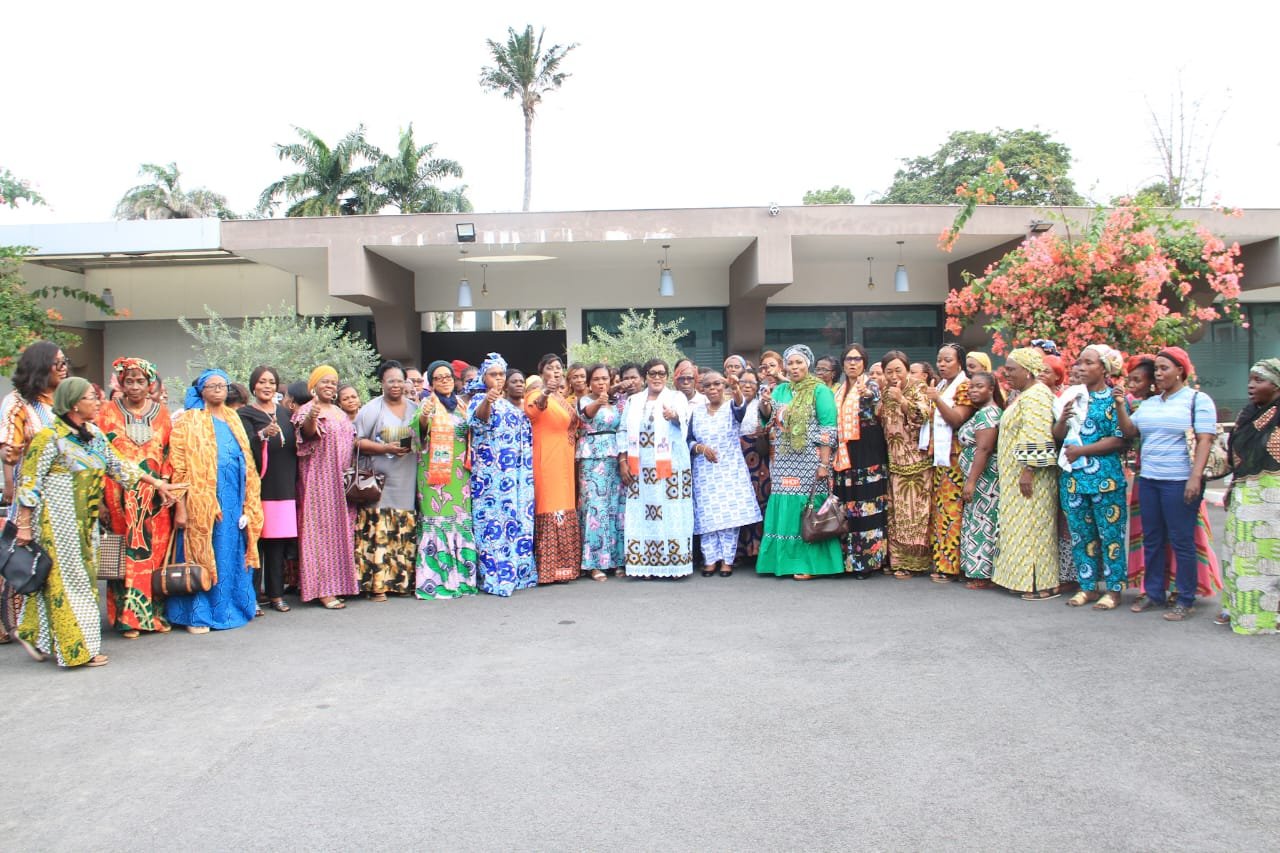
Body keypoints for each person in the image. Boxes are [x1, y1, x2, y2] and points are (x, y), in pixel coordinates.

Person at [11, 378, 178, 666]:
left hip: (86, 525)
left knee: (77, 582)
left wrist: (157, 484)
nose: (98, 402)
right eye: (91, 397)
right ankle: (76, 651)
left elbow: (120, 466)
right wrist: (24, 525)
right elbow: (29, 482)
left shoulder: (93, 435)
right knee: (70, 584)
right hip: (56, 523)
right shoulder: (50, 437)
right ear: (75, 403)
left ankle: (34, 633)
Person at [1115, 347, 1217, 621]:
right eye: (1156, 370)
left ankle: (1185, 598)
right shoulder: (1149, 404)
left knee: (1182, 540)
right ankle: (1155, 593)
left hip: (1180, 480)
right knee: (1153, 539)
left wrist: (1195, 477)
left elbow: (1205, 439)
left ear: (1181, 370)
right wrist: (1119, 406)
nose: (1158, 374)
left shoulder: (1197, 400)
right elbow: (1129, 431)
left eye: (1164, 369)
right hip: (1149, 480)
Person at [167, 370, 264, 633]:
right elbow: (178, 467)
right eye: (212, 385)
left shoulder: (233, 417)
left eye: (222, 385)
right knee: (201, 553)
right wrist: (181, 506)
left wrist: (248, 501)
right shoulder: (189, 420)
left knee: (229, 552)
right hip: (202, 501)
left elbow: (248, 461)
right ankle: (196, 615)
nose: (219, 389)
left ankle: (231, 607)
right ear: (201, 390)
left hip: (234, 497)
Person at [97, 357, 174, 638]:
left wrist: (165, 484)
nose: (134, 386)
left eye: (140, 381)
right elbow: (100, 455)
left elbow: (168, 453)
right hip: (118, 497)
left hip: (154, 499)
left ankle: (153, 616)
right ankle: (127, 619)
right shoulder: (107, 411)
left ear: (150, 383)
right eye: (128, 381)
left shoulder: (162, 412)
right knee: (125, 556)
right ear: (120, 383)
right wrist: (101, 502)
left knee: (154, 556)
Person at [757, 345, 843, 579]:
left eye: (799, 363)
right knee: (785, 504)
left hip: (811, 460)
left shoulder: (820, 391)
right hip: (785, 459)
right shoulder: (781, 391)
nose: (795, 367)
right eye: (791, 363)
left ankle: (809, 564)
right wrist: (765, 402)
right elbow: (768, 419)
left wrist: (824, 465)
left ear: (808, 364)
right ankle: (782, 562)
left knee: (808, 508)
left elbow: (828, 429)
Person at [0, 341, 66, 642]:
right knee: (27, 560)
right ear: (41, 367)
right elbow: (9, 450)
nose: (64, 368)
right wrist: (11, 459)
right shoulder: (18, 403)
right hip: (32, 498)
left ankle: (49, 627)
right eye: (58, 363)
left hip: (64, 498)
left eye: (66, 362)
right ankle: (13, 625)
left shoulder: (63, 401)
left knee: (57, 564)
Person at [1055, 345, 1128, 609]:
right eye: (1079, 363)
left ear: (1104, 369)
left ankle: (1114, 589)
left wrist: (1083, 450)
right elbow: (1059, 434)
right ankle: (1087, 586)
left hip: (1105, 478)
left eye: (1088, 363)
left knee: (1110, 535)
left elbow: (1121, 439)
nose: (1081, 368)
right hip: (1074, 477)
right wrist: (1062, 419)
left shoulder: (1114, 399)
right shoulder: (1072, 396)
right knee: (1081, 534)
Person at [993, 347, 1061, 600]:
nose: (1006, 373)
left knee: (1034, 528)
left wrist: (1028, 470)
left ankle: (1042, 583)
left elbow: (1036, 433)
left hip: (1030, 476)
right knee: (1019, 528)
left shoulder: (1036, 396)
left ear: (1028, 371)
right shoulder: (1024, 395)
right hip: (1015, 476)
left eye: (1011, 369)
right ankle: (1021, 578)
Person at [1220, 358, 1280, 634]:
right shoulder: (1249, 415)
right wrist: (1232, 489)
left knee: (1272, 556)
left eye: (1259, 380)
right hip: (1247, 494)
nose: (1250, 385)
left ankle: (1270, 616)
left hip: (1273, 498)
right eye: (1250, 379)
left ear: (1276, 385)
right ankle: (1241, 610)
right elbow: (1239, 458)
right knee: (1242, 554)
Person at [469, 354, 537, 596]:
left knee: (514, 520)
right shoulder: (478, 399)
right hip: (490, 477)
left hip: (515, 474)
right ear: (483, 377)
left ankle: (517, 573)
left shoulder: (510, 405)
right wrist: (488, 401)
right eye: (493, 374)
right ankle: (494, 576)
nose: (498, 378)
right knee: (492, 523)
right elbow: (480, 419)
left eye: (501, 375)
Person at [619, 358, 694, 578]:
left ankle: (674, 564)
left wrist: (674, 416)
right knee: (643, 513)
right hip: (640, 468)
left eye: (662, 373)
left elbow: (685, 422)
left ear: (667, 376)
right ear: (645, 377)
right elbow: (622, 431)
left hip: (671, 468)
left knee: (672, 512)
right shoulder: (633, 401)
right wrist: (623, 461)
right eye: (653, 373)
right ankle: (645, 564)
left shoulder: (677, 397)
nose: (657, 377)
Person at [293, 366, 359, 609]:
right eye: (325, 382)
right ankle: (321, 589)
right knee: (319, 535)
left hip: (341, 483)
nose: (330, 386)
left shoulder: (340, 412)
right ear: (314, 385)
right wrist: (311, 418)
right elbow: (308, 435)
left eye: (333, 382)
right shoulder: (307, 410)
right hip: (318, 482)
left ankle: (339, 584)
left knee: (340, 532)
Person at [353, 360, 419, 600]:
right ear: (381, 383)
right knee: (379, 530)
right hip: (380, 480)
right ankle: (377, 585)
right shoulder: (372, 409)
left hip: (407, 478)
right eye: (391, 380)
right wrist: (384, 448)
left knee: (403, 527)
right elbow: (357, 441)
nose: (396, 385)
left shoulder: (415, 407)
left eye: (400, 380)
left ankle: (400, 583)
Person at [414, 360, 477, 599]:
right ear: (431, 382)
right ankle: (437, 582)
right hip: (434, 476)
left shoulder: (461, 404)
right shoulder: (427, 403)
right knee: (438, 522)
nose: (444, 381)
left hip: (459, 476)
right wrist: (424, 416)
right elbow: (417, 431)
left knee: (458, 522)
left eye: (448, 377)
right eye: (438, 378)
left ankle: (461, 580)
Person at [688, 371, 760, 577]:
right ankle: (710, 560)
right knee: (707, 516)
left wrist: (736, 388)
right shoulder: (697, 412)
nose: (712, 388)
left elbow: (741, 407)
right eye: (707, 385)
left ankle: (727, 561)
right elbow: (689, 439)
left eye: (717, 384)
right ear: (702, 389)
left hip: (729, 470)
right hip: (704, 470)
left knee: (728, 518)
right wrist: (700, 448)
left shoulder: (732, 407)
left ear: (724, 386)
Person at [239, 365, 296, 614]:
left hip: (283, 485)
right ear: (253, 386)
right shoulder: (245, 413)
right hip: (258, 486)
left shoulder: (285, 414)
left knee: (277, 544)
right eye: (262, 382)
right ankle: (251, 596)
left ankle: (276, 594)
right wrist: (262, 434)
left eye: (271, 382)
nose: (267, 386)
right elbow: (244, 445)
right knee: (255, 543)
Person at [526, 353, 582, 585]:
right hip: (547, 460)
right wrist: (546, 392)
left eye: (559, 367)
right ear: (542, 373)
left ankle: (566, 568)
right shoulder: (537, 394)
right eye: (551, 368)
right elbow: (536, 409)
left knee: (566, 504)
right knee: (551, 506)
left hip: (565, 461)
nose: (557, 371)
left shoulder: (563, 399)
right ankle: (549, 569)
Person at [831, 344, 887, 578]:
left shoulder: (871, 385)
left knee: (867, 506)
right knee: (847, 506)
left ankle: (867, 562)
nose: (852, 363)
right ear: (843, 364)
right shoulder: (838, 390)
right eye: (848, 359)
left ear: (864, 362)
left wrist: (868, 395)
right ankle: (848, 560)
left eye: (857, 359)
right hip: (844, 455)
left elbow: (875, 399)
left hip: (868, 452)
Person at [879, 350, 933, 577]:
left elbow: (922, 416)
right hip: (894, 460)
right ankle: (898, 560)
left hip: (916, 461)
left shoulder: (918, 387)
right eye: (889, 371)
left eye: (898, 370)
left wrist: (902, 399)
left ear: (907, 369)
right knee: (897, 513)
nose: (893, 375)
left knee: (916, 513)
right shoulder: (884, 391)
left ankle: (915, 563)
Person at [923, 343, 974, 582]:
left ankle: (949, 566)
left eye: (947, 360)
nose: (942, 365)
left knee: (951, 512)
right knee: (940, 512)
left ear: (960, 363)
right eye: (939, 360)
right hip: (939, 459)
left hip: (955, 458)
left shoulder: (964, 386)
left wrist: (937, 400)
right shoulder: (942, 385)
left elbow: (957, 419)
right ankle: (941, 561)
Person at [577, 364, 625, 581]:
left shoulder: (617, 404)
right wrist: (599, 401)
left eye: (604, 378)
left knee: (615, 508)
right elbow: (586, 416)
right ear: (589, 382)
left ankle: (615, 560)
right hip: (592, 457)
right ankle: (593, 563)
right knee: (595, 509)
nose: (600, 382)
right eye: (596, 379)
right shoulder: (585, 400)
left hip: (614, 457)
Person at [957, 371, 1003, 587]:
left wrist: (972, 481)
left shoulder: (989, 414)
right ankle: (975, 570)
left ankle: (982, 575)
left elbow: (983, 449)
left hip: (985, 479)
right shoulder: (981, 412)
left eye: (979, 386)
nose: (973, 390)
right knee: (975, 521)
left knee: (983, 522)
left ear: (991, 389)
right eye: (971, 387)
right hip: (977, 477)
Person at [736, 370, 770, 563]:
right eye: (743, 382)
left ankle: (757, 549)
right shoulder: (729, 404)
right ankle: (741, 550)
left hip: (758, 457)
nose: (747, 386)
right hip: (736, 457)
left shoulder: (760, 405)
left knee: (759, 500)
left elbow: (767, 415)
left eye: (752, 382)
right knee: (740, 501)